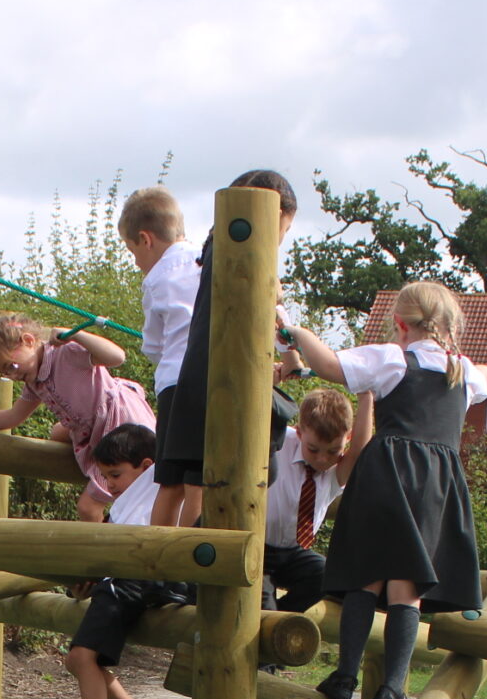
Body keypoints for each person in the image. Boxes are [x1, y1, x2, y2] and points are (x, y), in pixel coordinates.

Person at [281, 281, 487, 699]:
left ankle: (344, 675)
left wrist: (295, 331)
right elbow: (486, 381)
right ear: (448, 326)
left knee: (366, 576)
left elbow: (329, 365)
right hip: (434, 483)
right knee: (407, 586)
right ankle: (394, 688)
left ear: (400, 323)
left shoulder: (392, 358)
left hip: (387, 471)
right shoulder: (466, 372)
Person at [151, 168, 302, 529]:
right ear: (273, 214)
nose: (281, 239)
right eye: (284, 229)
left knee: (186, 478)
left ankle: (166, 575)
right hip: (218, 379)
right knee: (208, 479)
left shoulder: (216, 245)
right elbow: (265, 300)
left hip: (192, 375)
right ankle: (188, 573)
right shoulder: (239, 243)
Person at [0, 312, 151, 522]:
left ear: (29, 341)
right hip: (90, 427)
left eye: (11, 367)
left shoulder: (65, 353)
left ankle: (104, 548)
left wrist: (78, 336)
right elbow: (13, 416)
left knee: (88, 508)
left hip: (119, 423)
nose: (13, 376)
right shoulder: (34, 380)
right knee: (56, 433)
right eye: (5, 375)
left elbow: (117, 357)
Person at [59, 423, 179, 699]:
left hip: (132, 582)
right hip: (120, 580)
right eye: (105, 476)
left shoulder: (155, 485)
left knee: (82, 658)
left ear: (145, 466)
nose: (108, 484)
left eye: (115, 474)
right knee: (78, 660)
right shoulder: (129, 501)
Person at [117, 185, 203, 530]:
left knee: (171, 481)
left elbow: (153, 346)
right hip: (213, 381)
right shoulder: (209, 260)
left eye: (132, 250)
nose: (136, 260)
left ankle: (161, 568)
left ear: (145, 238)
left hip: (175, 383)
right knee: (201, 478)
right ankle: (189, 570)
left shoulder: (157, 278)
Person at [261, 387, 366, 612]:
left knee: (328, 574)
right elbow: (261, 416)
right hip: (260, 549)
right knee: (262, 606)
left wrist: (366, 394)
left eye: (333, 451)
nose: (322, 459)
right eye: (313, 449)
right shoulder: (281, 443)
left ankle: (284, 618)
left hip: (292, 553)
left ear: (347, 439)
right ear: (299, 433)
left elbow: (360, 450)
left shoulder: (335, 473)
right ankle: (270, 614)